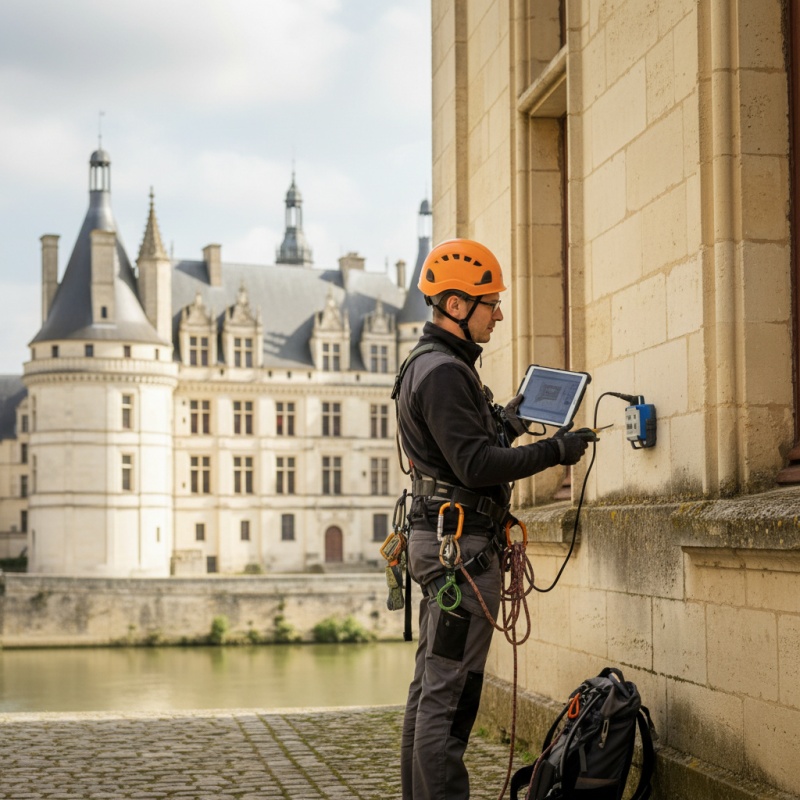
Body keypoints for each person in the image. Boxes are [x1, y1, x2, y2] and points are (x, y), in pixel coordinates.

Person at [396, 238, 590, 800]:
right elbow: (477, 465)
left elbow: (459, 450)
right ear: (456, 305)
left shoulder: (431, 365)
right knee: (450, 701)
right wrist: (556, 451)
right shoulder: (444, 373)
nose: (499, 315)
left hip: (445, 544)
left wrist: (508, 421)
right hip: (460, 553)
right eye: (491, 303)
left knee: (430, 692)